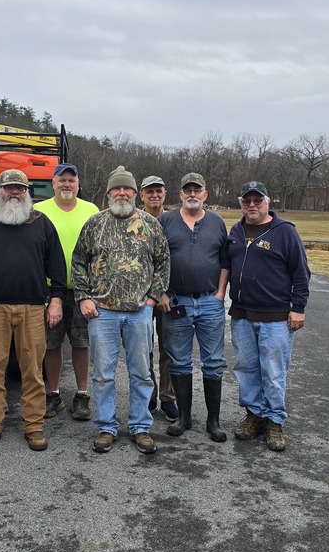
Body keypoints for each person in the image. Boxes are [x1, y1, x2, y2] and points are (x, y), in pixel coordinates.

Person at [0, 169, 66, 452]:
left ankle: (33, 426)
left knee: (32, 370)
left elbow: (56, 265)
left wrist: (56, 299)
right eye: (9, 188)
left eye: (20, 188)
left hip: (33, 309)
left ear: (27, 191)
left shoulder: (41, 223)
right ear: (0, 191)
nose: (15, 193)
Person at [72, 166, 170, 455]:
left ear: (135, 194)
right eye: (117, 188)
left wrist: (152, 299)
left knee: (141, 373)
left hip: (139, 312)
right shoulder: (94, 224)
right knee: (103, 373)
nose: (122, 193)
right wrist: (83, 297)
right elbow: (78, 262)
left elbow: (163, 262)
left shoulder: (151, 225)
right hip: (102, 312)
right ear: (109, 193)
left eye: (127, 188)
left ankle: (140, 427)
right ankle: (106, 426)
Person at [227, 181, 310, 452]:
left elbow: (301, 273)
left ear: (267, 202)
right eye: (247, 200)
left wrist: (298, 307)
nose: (252, 205)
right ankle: (255, 415)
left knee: (274, 371)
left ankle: (275, 420)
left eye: (257, 200)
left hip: (275, 316)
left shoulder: (284, 232)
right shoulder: (236, 230)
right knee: (247, 368)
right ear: (241, 203)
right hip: (242, 314)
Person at [158, 173, 230, 442]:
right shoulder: (165, 221)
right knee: (179, 360)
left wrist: (221, 293)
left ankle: (213, 421)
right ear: (180, 195)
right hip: (176, 301)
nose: (192, 194)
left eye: (196, 190)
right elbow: (155, 259)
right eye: (187, 190)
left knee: (213, 361)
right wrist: (162, 292)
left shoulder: (216, 222)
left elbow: (225, 260)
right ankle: (184, 417)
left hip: (210, 301)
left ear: (204, 194)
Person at [34, 163, 99, 421]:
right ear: (53, 183)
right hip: (49, 290)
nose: (67, 185)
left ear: (78, 184)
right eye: (61, 180)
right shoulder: (38, 211)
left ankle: (82, 395)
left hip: (84, 290)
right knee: (51, 343)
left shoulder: (91, 210)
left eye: (71, 180)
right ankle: (53, 394)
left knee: (81, 343)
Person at [139, 175, 179, 422]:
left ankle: (168, 396)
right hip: (139, 297)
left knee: (168, 348)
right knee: (143, 348)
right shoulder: (133, 219)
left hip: (167, 296)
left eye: (159, 191)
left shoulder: (175, 220)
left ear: (165, 194)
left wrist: (163, 290)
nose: (154, 195)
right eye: (149, 191)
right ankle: (149, 393)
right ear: (141, 195)